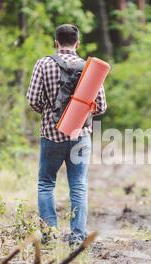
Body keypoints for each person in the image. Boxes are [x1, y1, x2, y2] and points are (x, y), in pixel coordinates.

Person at [26, 24, 107, 246]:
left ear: (56, 42)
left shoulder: (43, 64)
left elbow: (33, 100)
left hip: (51, 135)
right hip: (80, 136)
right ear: (77, 43)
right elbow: (100, 106)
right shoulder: (89, 68)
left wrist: (50, 111)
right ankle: (77, 236)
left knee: (46, 183)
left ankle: (50, 234)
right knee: (79, 185)